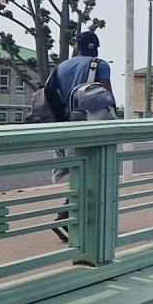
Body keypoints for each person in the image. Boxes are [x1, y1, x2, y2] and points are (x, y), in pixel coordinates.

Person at [43, 31, 115, 240]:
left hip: (67, 126)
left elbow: (49, 92)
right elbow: (106, 96)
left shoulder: (62, 66)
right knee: (97, 174)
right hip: (91, 126)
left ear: (77, 46)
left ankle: (72, 219)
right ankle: (64, 217)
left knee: (79, 173)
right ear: (97, 47)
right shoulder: (100, 65)